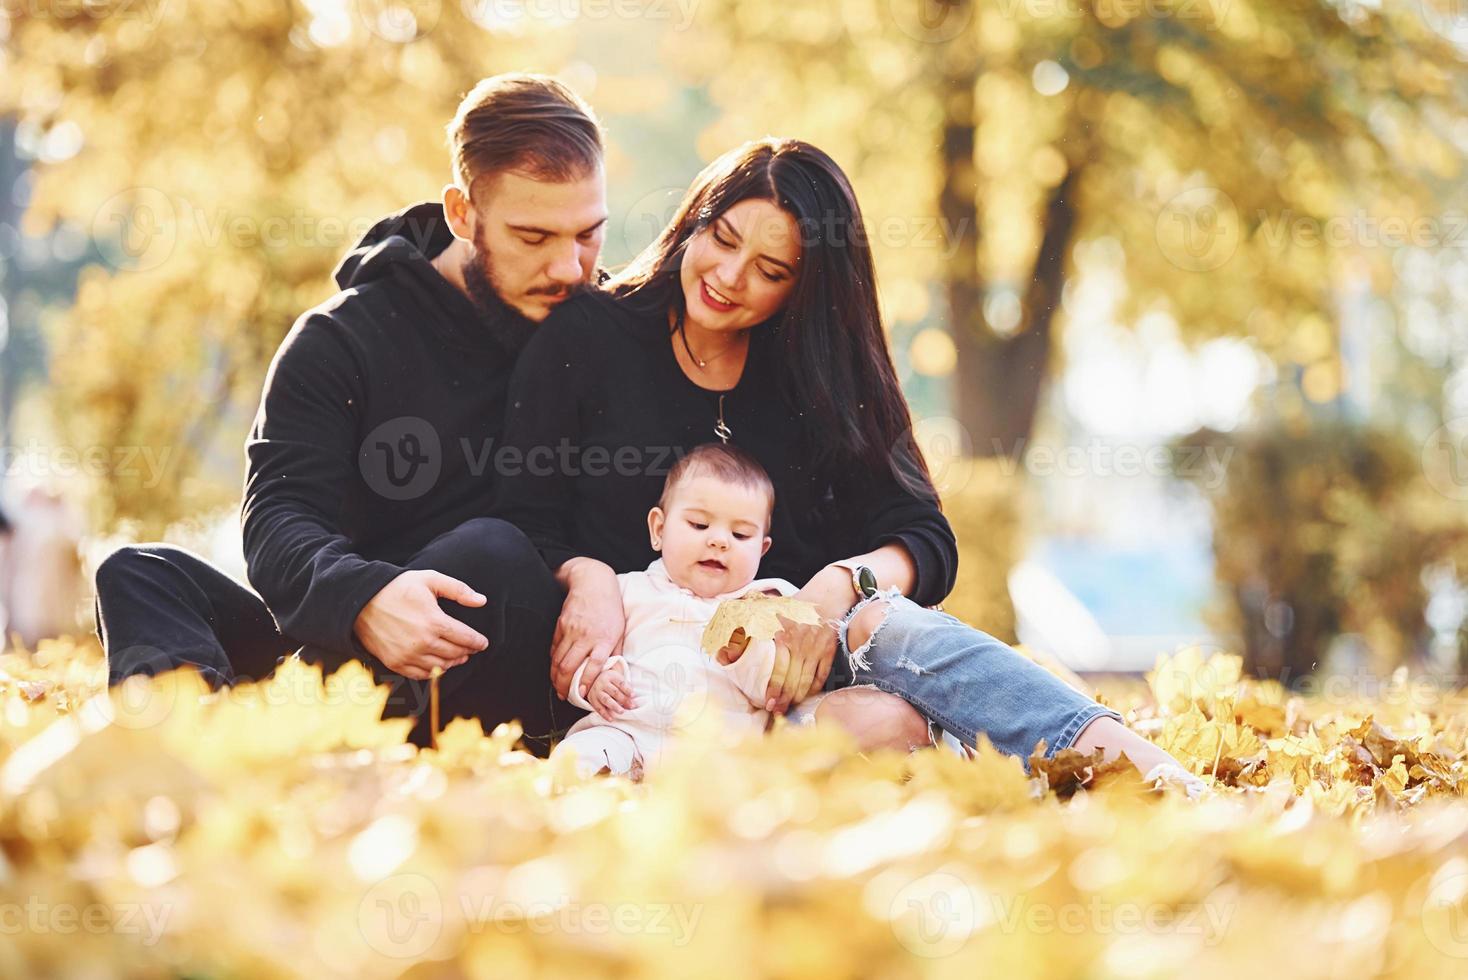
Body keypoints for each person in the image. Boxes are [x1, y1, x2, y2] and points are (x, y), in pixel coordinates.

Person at [494, 137, 1208, 789]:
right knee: (887, 727)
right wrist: (584, 575)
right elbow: (519, 517)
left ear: (805, 286)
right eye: (722, 238)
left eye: (770, 270)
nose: (730, 276)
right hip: (644, 692)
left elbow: (926, 540)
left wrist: (829, 592)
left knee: (879, 624)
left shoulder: (823, 376)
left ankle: (1130, 767)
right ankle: (945, 758)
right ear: (692, 222)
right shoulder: (588, 338)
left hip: (795, 681)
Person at [91, 73, 607, 750]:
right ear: (460, 213)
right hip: (350, 648)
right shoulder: (341, 340)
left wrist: (592, 574)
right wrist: (364, 600)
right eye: (533, 238)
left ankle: (293, 742)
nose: (570, 267)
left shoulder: (605, 331)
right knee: (138, 571)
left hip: (510, 647)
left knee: (493, 553)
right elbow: (278, 520)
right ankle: (196, 750)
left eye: (589, 235)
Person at [553, 443, 1200, 792]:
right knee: (589, 754)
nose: (719, 541)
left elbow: (776, 687)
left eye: (740, 533)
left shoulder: (768, 601)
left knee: (783, 758)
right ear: (659, 527)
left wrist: (754, 652)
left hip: (734, 747)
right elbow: (590, 661)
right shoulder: (629, 590)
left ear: (764, 549)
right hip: (636, 732)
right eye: (700, 526)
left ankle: (1055, 761)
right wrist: (593, 683)